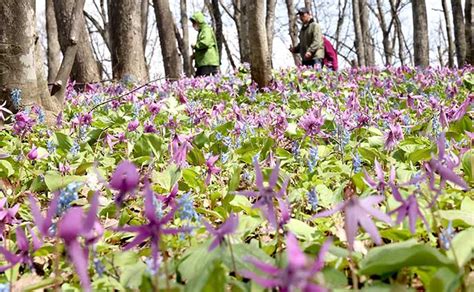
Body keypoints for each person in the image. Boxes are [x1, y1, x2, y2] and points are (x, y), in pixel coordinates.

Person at [190, 12, 220, 77]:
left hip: (207, 63)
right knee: (198, 80)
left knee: (205, 83)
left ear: (198, 22)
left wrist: (195, 46)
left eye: (194, 23)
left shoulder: (206, 30)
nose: (193, 25)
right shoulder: (201, 31)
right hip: (203, 62)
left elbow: (205, 43)